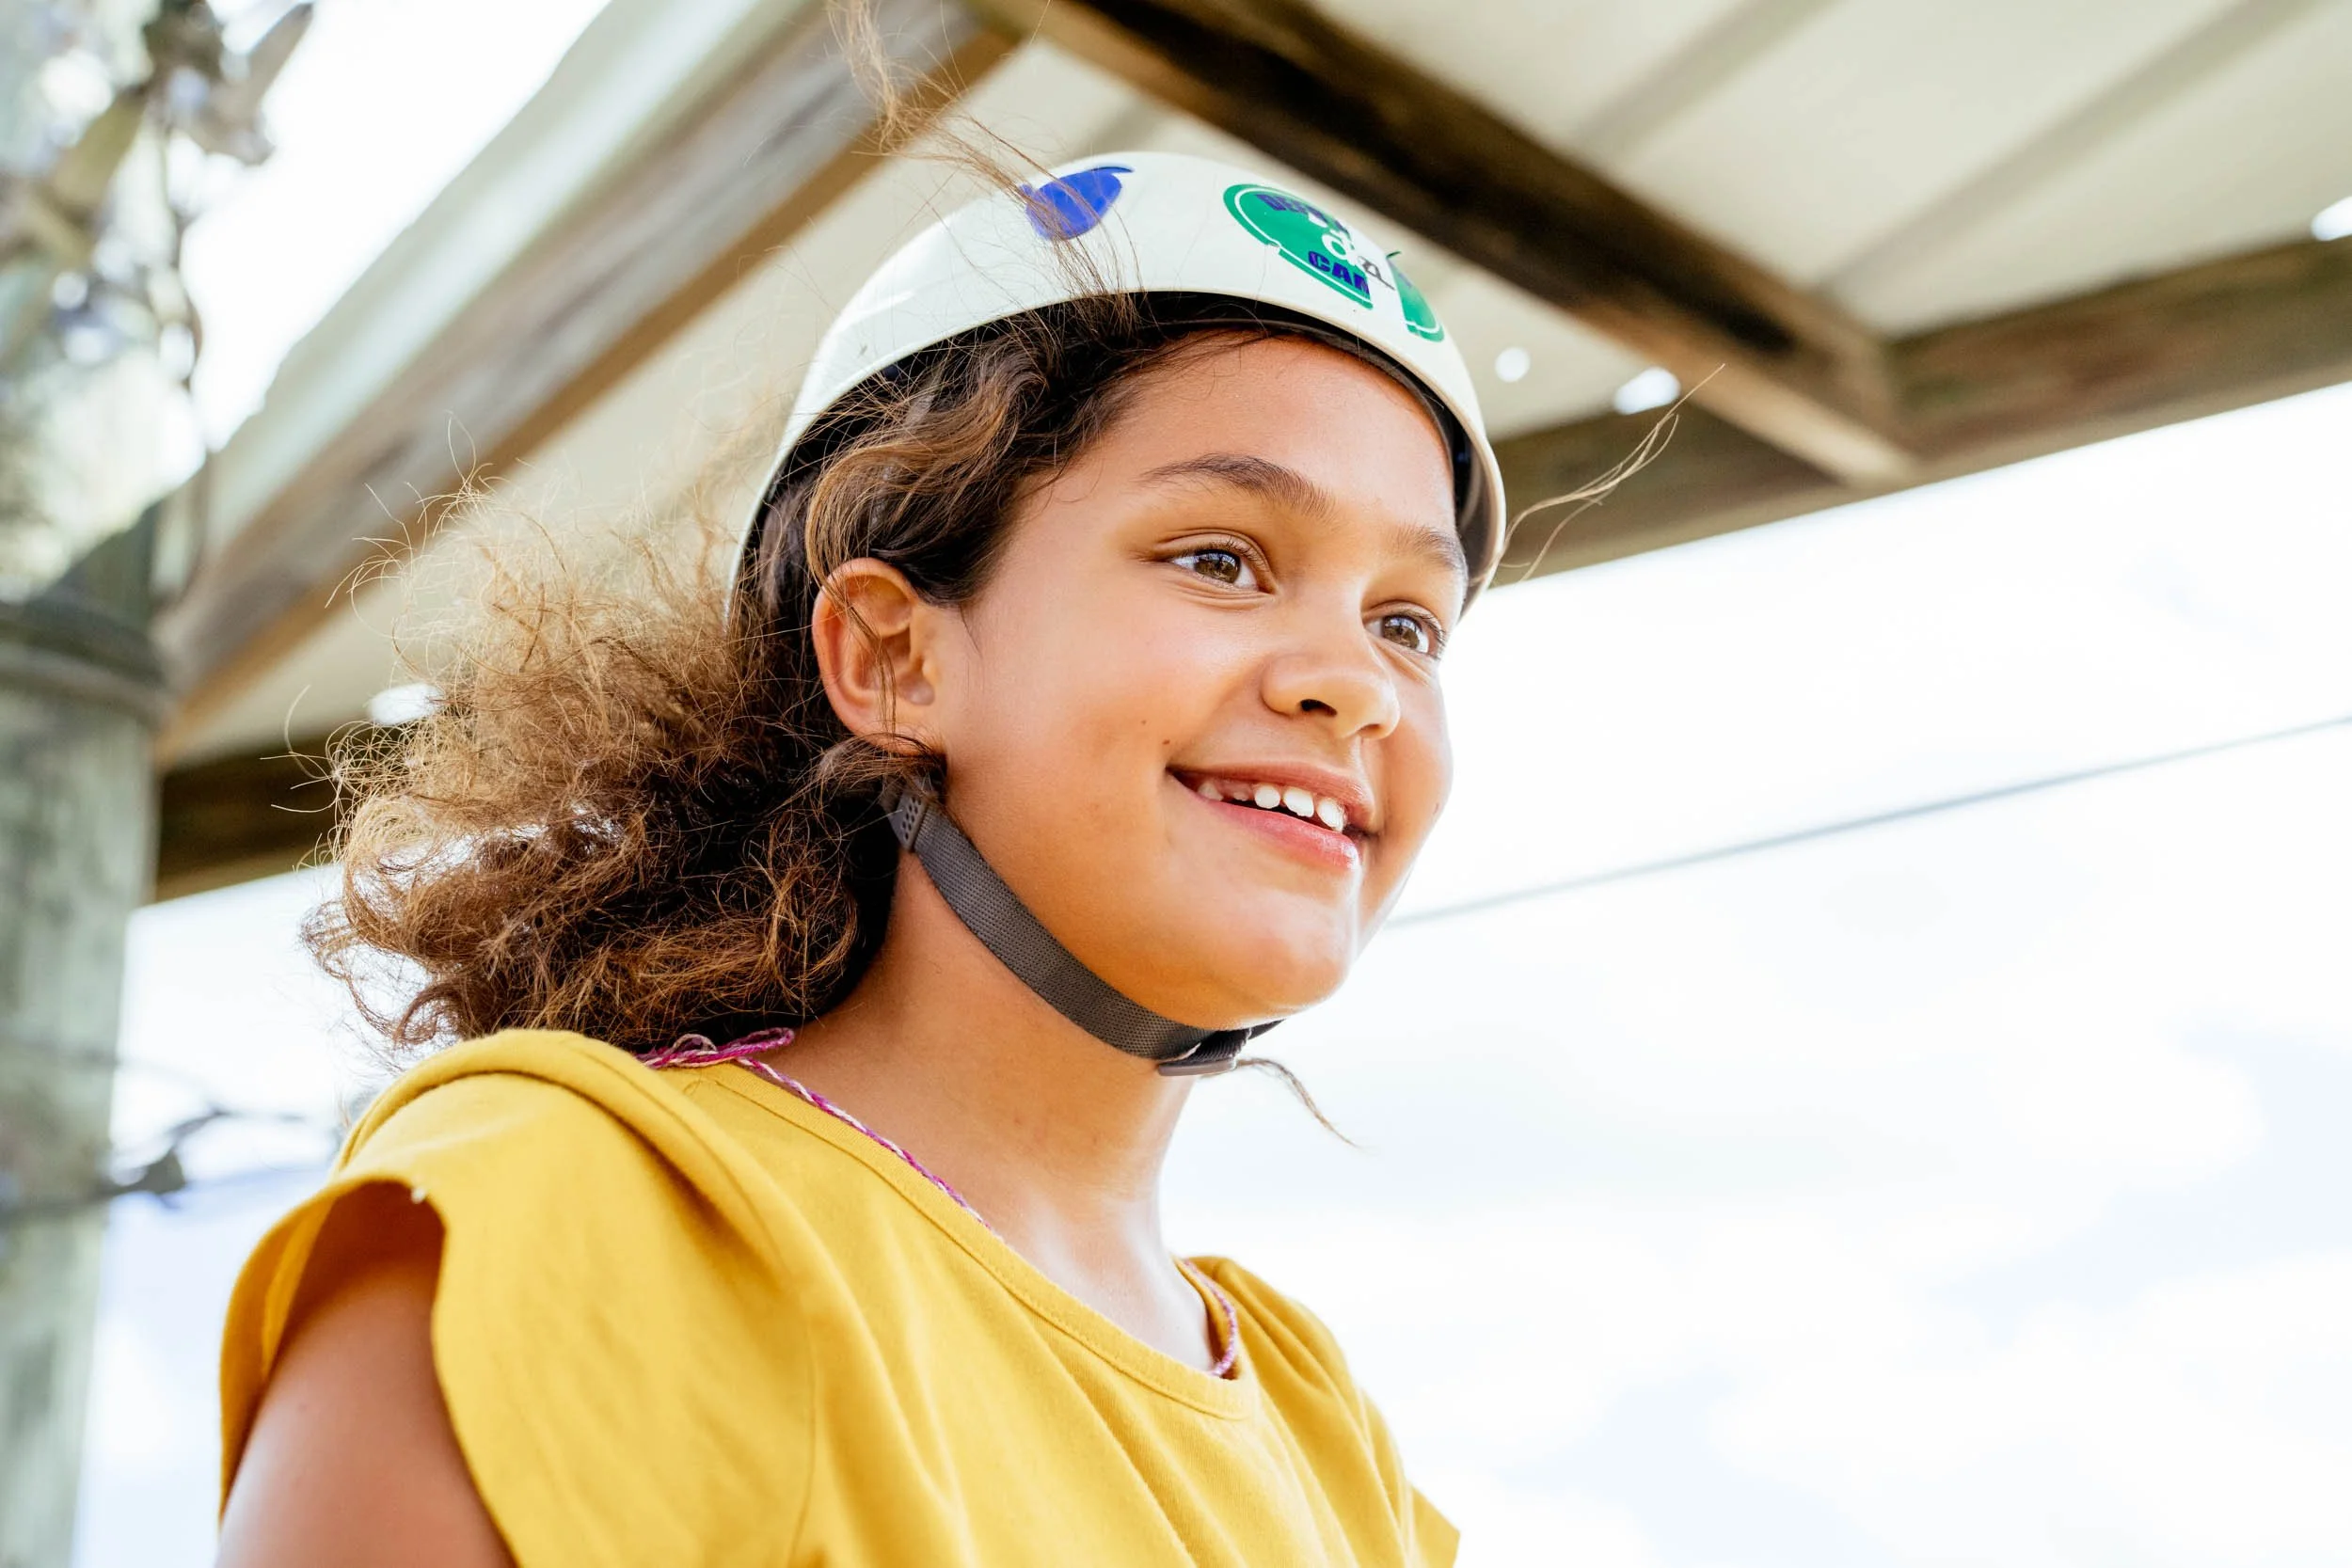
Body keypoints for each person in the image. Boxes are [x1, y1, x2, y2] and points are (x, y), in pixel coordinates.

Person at [214, 148, 1507, 1566]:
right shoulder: (578, 1210)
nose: (1359, 683)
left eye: (1410, 623)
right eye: (1220, 558)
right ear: (892, 658)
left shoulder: (1330, 1447)